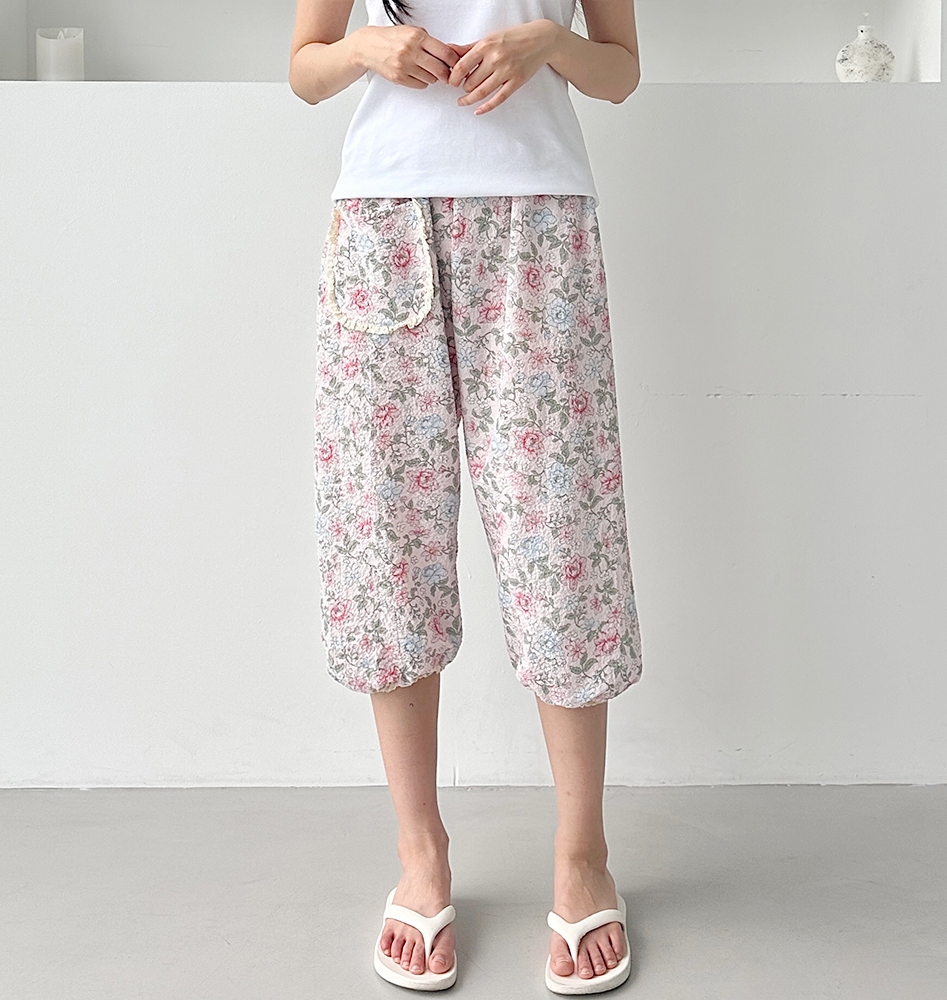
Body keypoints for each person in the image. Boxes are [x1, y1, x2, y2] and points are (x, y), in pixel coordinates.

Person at [289, 1, 642, 992]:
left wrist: (549, 44)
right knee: (386, 544)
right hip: (382, 223)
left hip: (540, 225)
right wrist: (367, 48)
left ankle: (583, 855)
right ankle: (421, 853)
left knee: (561, 541)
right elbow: (305, 70)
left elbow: (620, 71)